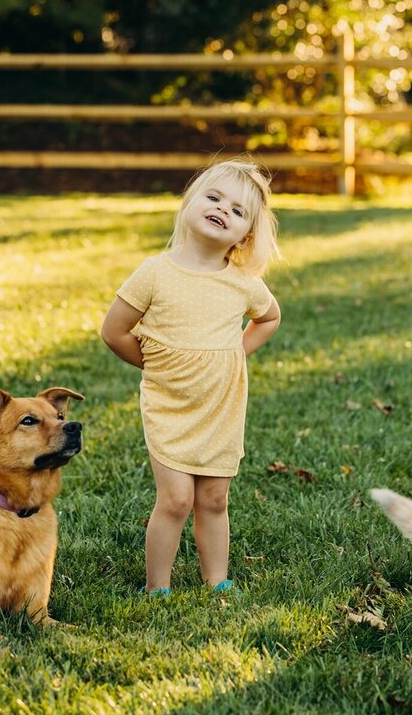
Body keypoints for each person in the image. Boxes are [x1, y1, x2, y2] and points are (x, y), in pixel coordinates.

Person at [101, 158, 282, 595]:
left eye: (238, 211)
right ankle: (157, 587)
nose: (224, 209)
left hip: (220, 407)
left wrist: (236, 351)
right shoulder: (155, 272)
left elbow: (269, 317)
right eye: (214, 197)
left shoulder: (241, 282)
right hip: (170, 405)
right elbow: (114, 331)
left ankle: (216, 581)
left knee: (214, 500)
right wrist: (154, 362)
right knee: (177, 500)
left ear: (247, 236)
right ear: (190, 202)